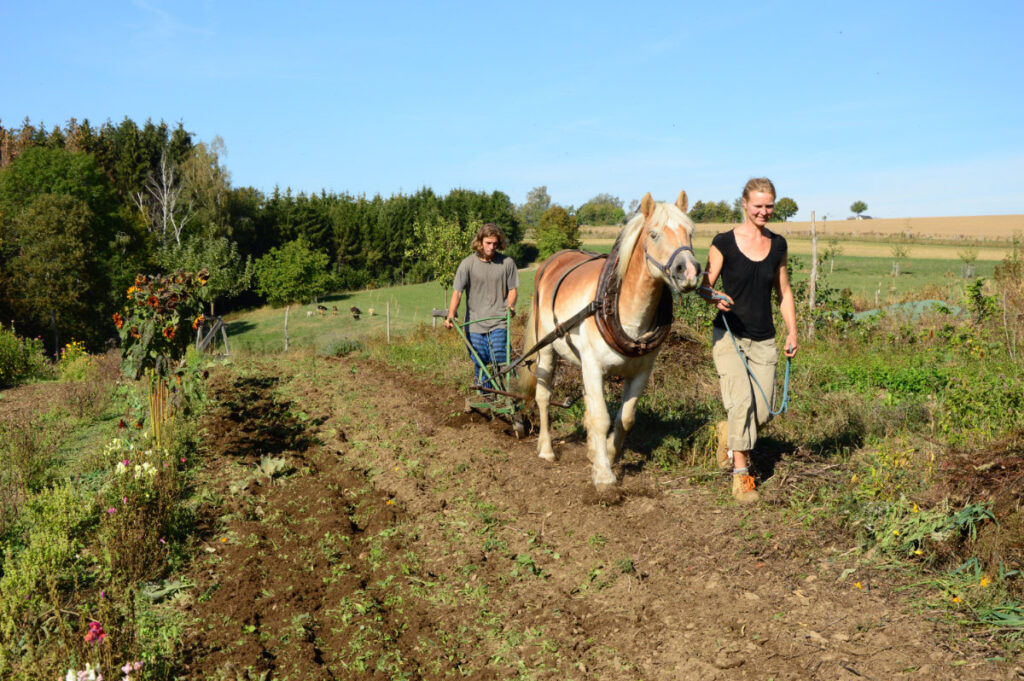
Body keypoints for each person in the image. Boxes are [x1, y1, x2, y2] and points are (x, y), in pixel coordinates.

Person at [699, 178, 798, 504]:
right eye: (758, 205)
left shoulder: (779, 245)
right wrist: (714, 297)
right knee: (741, 403)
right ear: (744, 204)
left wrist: (792, 331)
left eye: (769, 205)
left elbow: (783, 291)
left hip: (764, 339)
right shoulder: (723, 242)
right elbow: (703, 286)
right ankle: (741, 475)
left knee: (765, 409)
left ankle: (729, 434)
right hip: (729, 335)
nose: (764, 211)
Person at [444, 223, 519, 391]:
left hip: (499, 320)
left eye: (495, 243)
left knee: (500, 356)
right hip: (474, 324)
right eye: (488, 243)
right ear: (480, 242)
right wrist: (451, 314)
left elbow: (513, 290)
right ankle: (486, 394)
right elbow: (457, 292)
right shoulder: (467, 264)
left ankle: (506, 391)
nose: (491, 247)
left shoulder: (507, 263)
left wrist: (510, 306)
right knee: (480, 359)